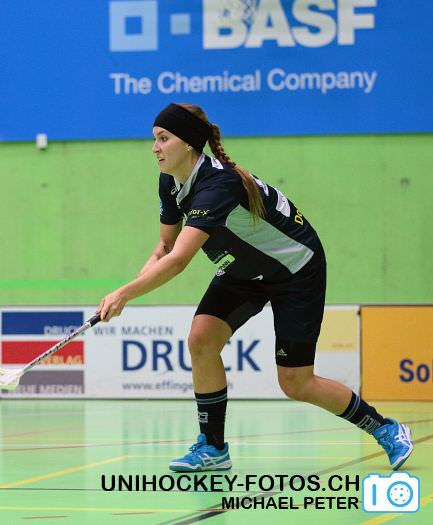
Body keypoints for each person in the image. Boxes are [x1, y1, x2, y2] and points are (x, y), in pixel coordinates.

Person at [96, 102, 413, 472]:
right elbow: (165, 246)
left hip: (295, 269)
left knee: (296, 382)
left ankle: (386, 429)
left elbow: (179, 259)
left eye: (163, 139)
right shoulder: (170, 182)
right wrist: (130, 289)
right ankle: (213, 448)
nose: (155, 148)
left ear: (189, 143)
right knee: (201, 339)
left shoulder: (218, 185)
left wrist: (124, 294)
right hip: (242, 270)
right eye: (155, 139)